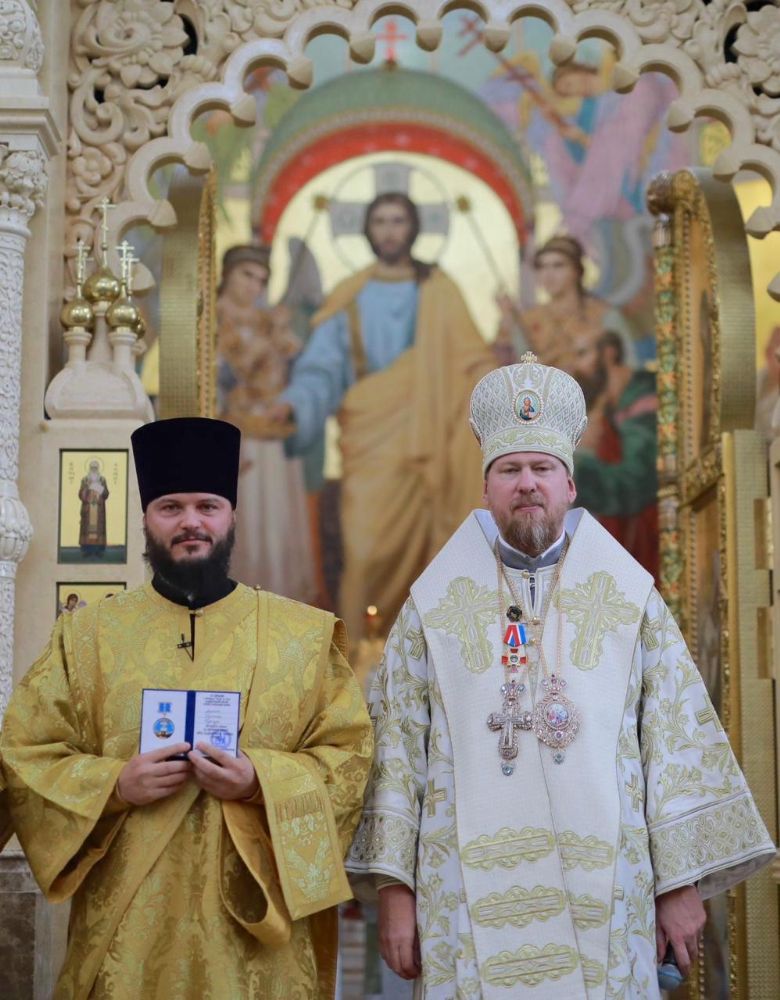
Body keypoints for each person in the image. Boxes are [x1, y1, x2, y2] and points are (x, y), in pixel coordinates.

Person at [347, 354, 774, 999]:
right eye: (510, 469)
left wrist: (679, 885)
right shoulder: (433, 607)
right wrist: (396, 893)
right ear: (486, 489)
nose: (527, 484)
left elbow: (672, 745)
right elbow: (396, 755)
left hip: (607, 890)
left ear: (570, 484)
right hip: (462, 895)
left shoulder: (628, 598)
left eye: (541, 468)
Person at [1, 417, 373, 999]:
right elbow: (26, 755)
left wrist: (260, 781)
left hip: (258, 944)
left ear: (231, 516)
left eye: (207, 506)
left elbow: (350, 758)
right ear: (146, 518)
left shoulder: (302, 636)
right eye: (170, 507)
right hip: (128, 933)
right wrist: (115, 784)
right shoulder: (87, 636)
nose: (191, 522)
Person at [267, 192, 495, 639]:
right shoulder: (351, 294)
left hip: (433, 441)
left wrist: (500, 384)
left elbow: (472, 360)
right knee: (365, 552)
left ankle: (422, 652)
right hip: (371, 441)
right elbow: (321, 366)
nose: (390, 231)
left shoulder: (440, 289)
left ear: (414, 229)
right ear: (367, 231)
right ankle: (357, 654)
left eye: (398, 221)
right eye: (381, 222)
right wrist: (295, 401)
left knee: (433, 556)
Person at [216, 244, 317, 602]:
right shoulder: (211, 319)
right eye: (247, 275)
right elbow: (226, 375)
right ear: (227, 273)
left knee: (277, 524)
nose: (253, 286)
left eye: (261, 280)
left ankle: (279, 608)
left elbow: (297, 363)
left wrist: (284, 329)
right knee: (247, 523)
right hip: (235, 438)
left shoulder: (267, 319)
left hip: (273, 437)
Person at [78, 458, 109, 556]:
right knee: (87, 529)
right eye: (92, 467)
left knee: (98, 529)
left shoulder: (102, 480)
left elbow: (106, 494)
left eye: (95, 467)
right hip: (88, 509)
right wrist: (87, 488)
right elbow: (81, 495)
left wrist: (99, 488)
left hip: (99, 510)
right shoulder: (85, 480)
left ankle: (99, 551)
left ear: (98, 468)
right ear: (89, 468)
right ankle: (87, 550)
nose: (94, 469)